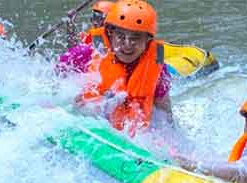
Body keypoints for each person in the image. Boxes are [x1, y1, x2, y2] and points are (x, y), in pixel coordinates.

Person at [73, 0, 173, 135]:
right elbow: (54, 85)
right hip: (91, 119)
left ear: (147, 41)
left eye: (135, 38)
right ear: (110, 35)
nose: (127, 44)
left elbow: (165, 115)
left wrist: (174, 146)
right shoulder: (84, 54)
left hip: (134, 129)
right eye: (120, 36)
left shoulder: (158, 69)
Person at [58, 1, 115, 74]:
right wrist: (70, 24)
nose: (95, 22)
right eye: (94, 17)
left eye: (99, 18)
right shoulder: (90, 40)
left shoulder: (120, 41)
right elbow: (73, 51)